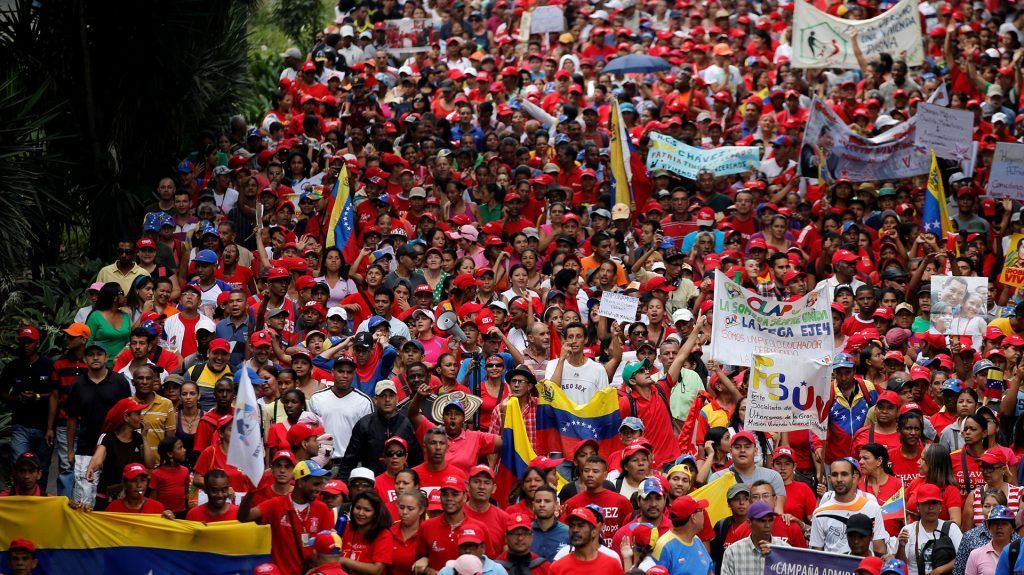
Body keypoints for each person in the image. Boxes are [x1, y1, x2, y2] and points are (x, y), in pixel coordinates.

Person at [239, 460, 336, 575]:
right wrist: (251, 491)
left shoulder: (323, 509)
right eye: (316, 484)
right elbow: (243, 517)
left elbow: (327, 551)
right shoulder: (275, 504)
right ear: (300, 483)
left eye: (321, 484)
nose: (320, 489)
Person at [1, 325, 54, 487]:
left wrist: (37, 397)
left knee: (41, 469)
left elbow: (56, 395)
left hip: (43, 425)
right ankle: (19, 501)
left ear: (37, 344)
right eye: (23, 341)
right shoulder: (13, 366)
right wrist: (15, 398)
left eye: (29, 342)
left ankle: (40, 502)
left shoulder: (48, 365)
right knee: (20, 465)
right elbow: (1, 391)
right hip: (21, 425)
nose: (25, 345)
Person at [339, 378, 422, 480]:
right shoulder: (364, 424)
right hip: (371, 482)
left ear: (397, 398)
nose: (387, 400)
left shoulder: (406, 423)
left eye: (391, 396)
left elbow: (416, 458)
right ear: (375, 400)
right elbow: (350, 459)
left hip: (401, 482)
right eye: (383, 396)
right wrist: (343, 484)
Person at [309, 355, 374, 474]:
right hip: (322, 464)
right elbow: (309, 434)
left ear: (354, 374)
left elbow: (369, 437)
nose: (345, 375)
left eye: (349, 372)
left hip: (352, 464)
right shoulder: (317, 398)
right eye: (341, 371)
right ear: (332, 372)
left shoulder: (364, 401)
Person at [809, 458, 888, 555]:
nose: (839, 479)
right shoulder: (820, 514)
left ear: (854, 477)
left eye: (844, 474)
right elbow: (817, 555)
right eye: (834, 475)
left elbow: (880, 550)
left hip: (864, 568)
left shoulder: (871, 507)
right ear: (829, 479)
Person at [413, 473, 489, 574]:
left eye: (455, 494)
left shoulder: (479, 527)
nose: (449, 498)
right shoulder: (426, 526)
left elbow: (489, 563)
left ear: (465, 497)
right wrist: (429, 571)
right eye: (445, 494)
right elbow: (418, 562)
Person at [560, 455, 633, 548]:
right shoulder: (571, 503)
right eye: (586, 471)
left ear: (605, 475)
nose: (590, 474)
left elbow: (629, 531)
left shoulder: (621, 502)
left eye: (595, 471)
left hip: (615, 555)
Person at [709, 431, 787, 514]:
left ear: (756, 451)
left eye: (747, 447)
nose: (742, 450)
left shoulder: (773, 476)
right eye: (737, 447)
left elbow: (778, 512)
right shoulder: (717, 478)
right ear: (731, 452)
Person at [898, 483, 963, 575]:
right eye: (926, 503)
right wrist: (901, 546)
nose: (931, 507)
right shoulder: (908, 530)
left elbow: (962, 557)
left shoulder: (951, 528)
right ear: (918, 507)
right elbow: (901, 566)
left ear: (940, 506)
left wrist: (941, 570)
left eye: (934, 503)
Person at [721, 501, 789, 575]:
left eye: (770, 520)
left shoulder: (785, 550)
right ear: (749, 523)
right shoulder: (733, 552)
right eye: (762, 521)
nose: (767, 525)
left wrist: (775, 557)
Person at [551, 507, 625, 575]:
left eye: (581, 526)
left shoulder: (612, 565)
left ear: (594, 532)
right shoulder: (557, 568)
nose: (575, 530)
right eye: (572, 526)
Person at [652, 495, 713, 575]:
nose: (704, 513)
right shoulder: (664, 546)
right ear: (693, 517)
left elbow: (709, 571)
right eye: (701, 510)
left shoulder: (696, 539)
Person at [339, 491, 394, 575]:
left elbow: (377, 570)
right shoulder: (345, 527)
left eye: (367, 510)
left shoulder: (384, 535)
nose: (360, 513)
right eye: (358, 508)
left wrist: (344, 561)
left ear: (375, 513)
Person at [104, 462, 175, 518]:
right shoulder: (113, 508)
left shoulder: (157, 507)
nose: (139, 485)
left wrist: (169, 520)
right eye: (133, 481)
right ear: (125, 484)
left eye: (143, 480)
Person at [966, 506, 1015, 575]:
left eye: (1004, 523)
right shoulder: (975, 555)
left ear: (1013, 529)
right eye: (995, 523)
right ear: (989, 528)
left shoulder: (1021, 553)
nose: (999, 527)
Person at [531, 485, 569, 562]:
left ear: (556, 505)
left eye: (547, 501)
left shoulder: (568, 532)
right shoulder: (525, 532)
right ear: (533, 505)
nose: (542, 504)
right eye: (538, 501)